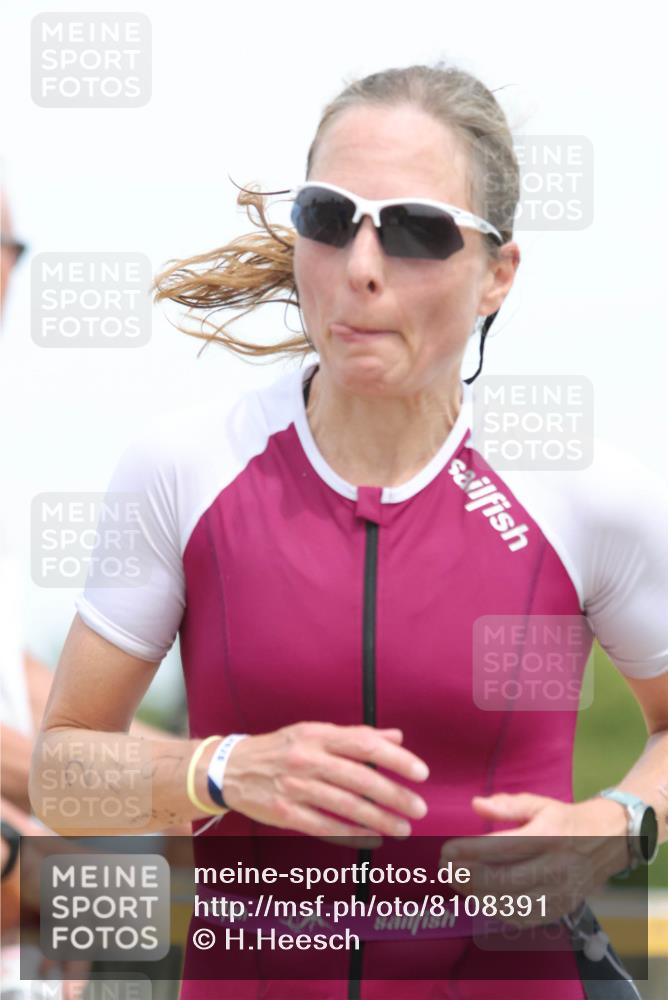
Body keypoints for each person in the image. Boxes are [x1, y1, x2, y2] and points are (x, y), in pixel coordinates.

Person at [29, 62, 668, 1000]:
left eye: (415, 230)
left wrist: (620, 822)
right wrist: (222, 769)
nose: (361, 266)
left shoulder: (586, 493)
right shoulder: (185, 467)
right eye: (331, 219)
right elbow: (62, 774)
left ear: (497, 273)